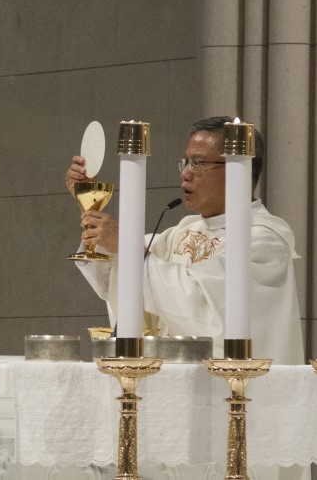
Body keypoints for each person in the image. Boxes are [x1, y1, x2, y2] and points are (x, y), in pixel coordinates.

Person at [66, 116, 304, 365]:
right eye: (186, 162)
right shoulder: (182, 232)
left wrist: (126, 247)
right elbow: (114, 275)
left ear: (239, 167)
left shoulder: (265, 242)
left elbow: (200, 309)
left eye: (198, 163)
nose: (185, 174)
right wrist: (90, 204)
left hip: (239, 390)